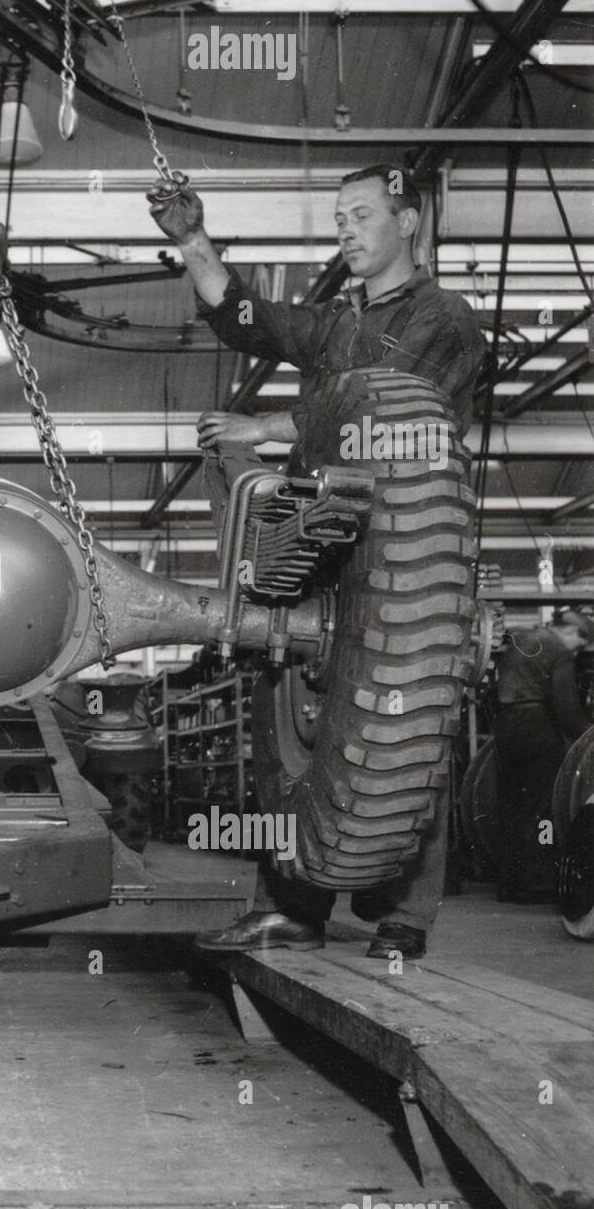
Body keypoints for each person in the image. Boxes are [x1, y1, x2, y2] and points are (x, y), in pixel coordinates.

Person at [148, 165, 488, 960]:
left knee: (408, 716)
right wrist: (192, 240)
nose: (344, 227)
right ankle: (289, 907)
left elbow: (390, 413)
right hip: (324, 535)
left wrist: (262, 429)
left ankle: (404, 919)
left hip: (408, 545)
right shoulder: (337, 319)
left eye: (361, 213)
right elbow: (249, 320)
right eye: (337, 216)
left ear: (408, 222)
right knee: (281, 720)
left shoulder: (445, 318)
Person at [493, 610, 594, 902]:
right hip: (535, 727)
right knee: (541, 809)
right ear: (575, 634)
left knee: (511, 804)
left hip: (506, 726)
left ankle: (509, 883)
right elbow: (566, 708)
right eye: (580, 646)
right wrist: (589, 733)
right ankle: (536, 882)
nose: (576, 653)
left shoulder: (523, 640)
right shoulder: (558, 650)